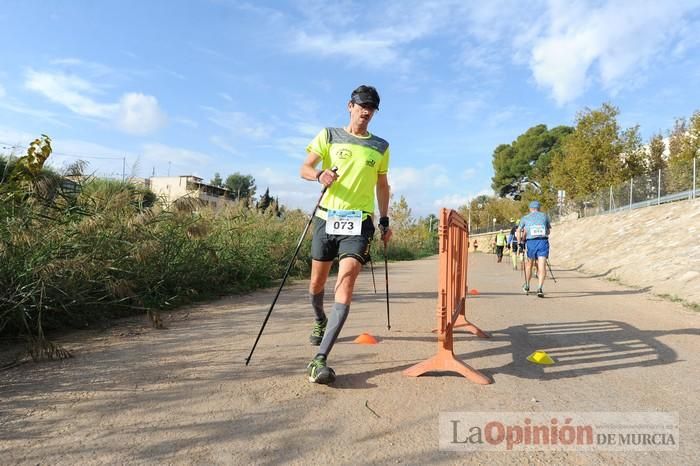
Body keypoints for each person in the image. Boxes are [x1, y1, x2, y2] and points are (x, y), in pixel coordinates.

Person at [299, 85, 392, 384]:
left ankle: (319, 359)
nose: (366, 111)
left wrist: (385, 221)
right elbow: (305, 167)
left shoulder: (381, 146)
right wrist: (319, 174)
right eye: (362, 105)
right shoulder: (328, 135)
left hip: (360, 222)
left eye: (372, 108)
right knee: (316, 284)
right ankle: (319, 319)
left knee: (347, 281)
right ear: (349, 106)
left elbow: (382, 185)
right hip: (327, 218)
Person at [517, 200, 551, 297]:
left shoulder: (525, 218)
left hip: (531, 242)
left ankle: (527, 285)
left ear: (530, 209)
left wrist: (520, 243)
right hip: (543, 242)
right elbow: (548, 231)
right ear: (539, 208)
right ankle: (540, 288)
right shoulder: (545, 216)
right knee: (542, 265)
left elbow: (518, 230)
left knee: (529, 265)